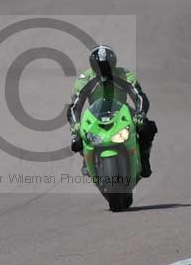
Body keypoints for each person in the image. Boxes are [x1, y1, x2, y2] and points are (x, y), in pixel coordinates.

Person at [66, 45, 157, 178]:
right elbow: (75, 105)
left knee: (147, 127)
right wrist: (75, 124)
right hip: (95, 113)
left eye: (107, 66)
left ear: (113, 64)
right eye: (100, 67)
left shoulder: (125, 74)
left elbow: (139, 96)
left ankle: (144, 158)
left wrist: (140, 114)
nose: (104, 71)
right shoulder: (85, 78)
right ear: (93, 66)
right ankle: (86, 159)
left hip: (122, 111)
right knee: (78, 136)